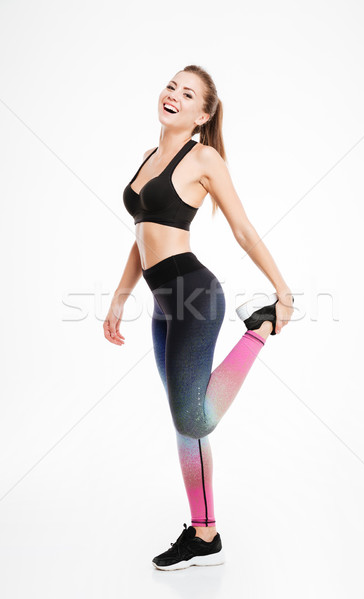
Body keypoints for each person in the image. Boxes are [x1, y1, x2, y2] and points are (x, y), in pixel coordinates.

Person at [103, 65, 294, 571]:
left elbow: (243, 229)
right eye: (171, 86)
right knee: (186, 427)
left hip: (195, 295)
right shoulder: (148, 157)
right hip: (164, 305)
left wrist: (282, 290)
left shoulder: (203, 157)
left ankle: (260, 329)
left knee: (194, 416)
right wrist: (120, 298)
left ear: (203, 114)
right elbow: (141, 233)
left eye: (187, 94)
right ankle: (205, 535)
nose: (173, 96)